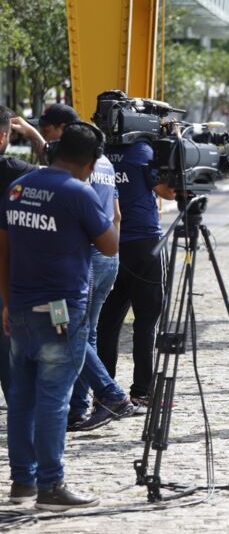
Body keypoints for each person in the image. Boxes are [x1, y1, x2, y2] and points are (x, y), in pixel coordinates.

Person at [0, 122, 118, 510]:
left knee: (21, 399)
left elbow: (3, 248)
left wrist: (6, 300)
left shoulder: (19, 187)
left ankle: (23, 485)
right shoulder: (79, 193)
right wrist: (114, 214)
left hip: (19, 307)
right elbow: (110, 246)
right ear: (89, 161)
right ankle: (51, 486)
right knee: (54, 399)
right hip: (61, 311)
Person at [35, 105, 135, 431]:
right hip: (109, 256)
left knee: (70, 333)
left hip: (84, 259)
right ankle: (78, 409)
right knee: (85, 333)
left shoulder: (75, 168)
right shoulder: (103, 161)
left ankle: (110, 394)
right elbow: (116, 215)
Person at [95, 126, 176, 412]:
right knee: (146, 323)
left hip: (109, 244)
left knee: (107, 324)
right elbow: (168, 192)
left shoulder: (99, 152)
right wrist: (173, 147)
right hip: (145, 245)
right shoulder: (143, 151)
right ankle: (143, 392)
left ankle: (104, 391)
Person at [0, 106, 38, 400]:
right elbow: (63, 170)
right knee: (8, 340)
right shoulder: (17, 171)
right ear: (3, 136)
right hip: (9, 264)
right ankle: (17, 405)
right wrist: (35, 135)